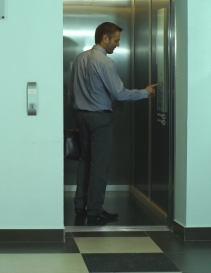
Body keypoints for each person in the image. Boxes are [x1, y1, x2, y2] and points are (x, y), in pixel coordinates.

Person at [68, 22, 158, 221]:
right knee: (99, 166)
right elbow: (120, 93)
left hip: (81, 116)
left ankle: (81, 206)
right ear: (105, 38)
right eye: (116, 40)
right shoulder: (105, 62)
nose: (117, 44)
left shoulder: (79, 59)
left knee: (85, 163)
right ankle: (94, 211)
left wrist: (76, 115)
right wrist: (146, 92)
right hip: (99, 118)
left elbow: (71, 93)